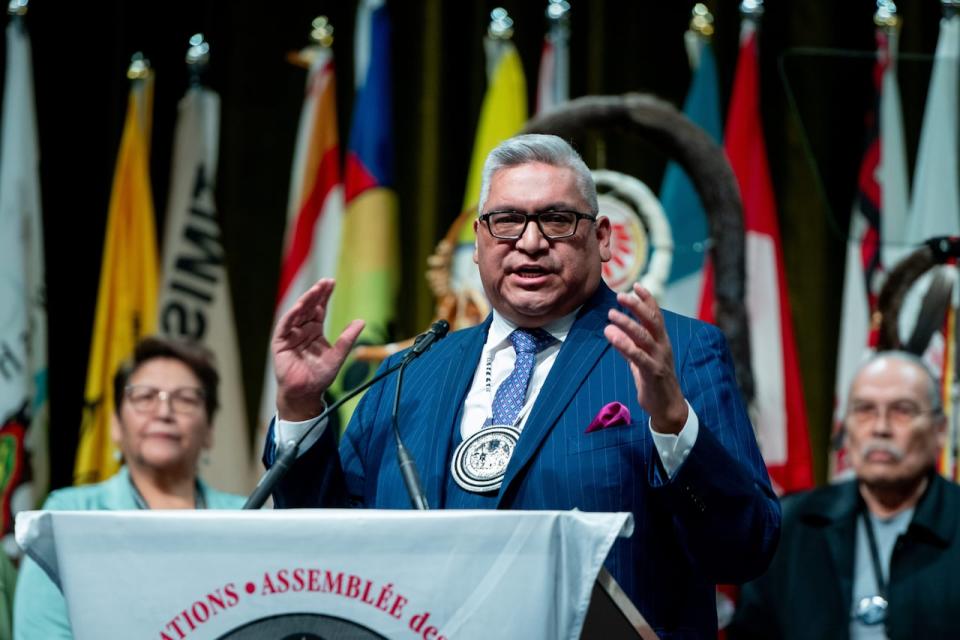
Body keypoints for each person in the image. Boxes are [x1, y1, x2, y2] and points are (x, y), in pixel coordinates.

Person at [265, 134, 780, 637]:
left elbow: (744, 548)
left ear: (601, 238)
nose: (530, 243)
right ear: (478, 240)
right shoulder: (409, 372)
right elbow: (330, 547)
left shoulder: (677, 351)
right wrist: (300, 405)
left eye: (557, 219)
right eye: (507, 220)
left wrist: (672, 424)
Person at [13, 337, 245, 640]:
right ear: (116, 426)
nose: (164, 412)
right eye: (144, 396)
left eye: (186, 399)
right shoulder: (68, 516)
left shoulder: (248, 518)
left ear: (210, 430)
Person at [729, 351, 960, 639]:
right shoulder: (790, 526)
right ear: (845, 428)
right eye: (864, 410)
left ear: (940, 430)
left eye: (903, 410)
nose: (880, 427)